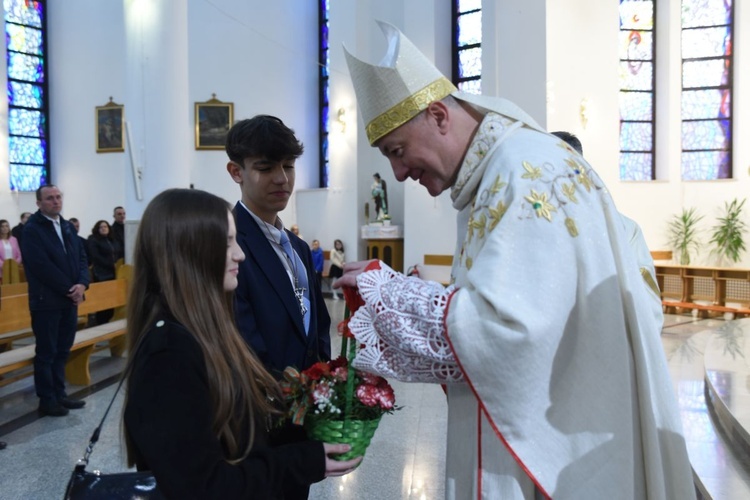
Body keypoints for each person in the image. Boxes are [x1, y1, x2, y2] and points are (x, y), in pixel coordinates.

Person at [337, 22, 695, 499]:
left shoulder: (523, 173)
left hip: (557, 443)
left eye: (397, 152)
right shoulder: (498, 174)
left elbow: (508, 330)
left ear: (440, 116)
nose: (399, 173)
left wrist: (392, 290)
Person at [123, 188, 360, 499]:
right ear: (191, 252)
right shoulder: (168, 354)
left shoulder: (203, 330)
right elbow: (203, 487)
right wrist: (302, 462)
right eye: (227, 243)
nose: (240, 254)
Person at [225, 115, 331, 499]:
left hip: (301, 413)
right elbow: (240, 335)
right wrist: (284, 392)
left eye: (288, 166)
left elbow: (315, 321)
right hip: (260, 415)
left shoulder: (299, 247)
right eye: (265, 168)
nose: (282, 179)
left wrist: (323, 383)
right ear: (236, 171)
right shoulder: (230, 243)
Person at [21, 185, 89, 417]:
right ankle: (47, 399)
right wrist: (69, 288)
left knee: (62, 350)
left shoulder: (67, 225)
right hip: (47, 301)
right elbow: (41, 266)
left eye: (58, 197)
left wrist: (82, 284)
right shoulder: (32, 230)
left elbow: (81, 258)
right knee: (47, 352)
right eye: (49, 198)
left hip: (69, 300)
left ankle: (60, 394)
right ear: (39, 203)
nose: (55, 201)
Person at [87, 220, 117, 325]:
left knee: (111, 301)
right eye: (101, 227)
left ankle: (108, 320)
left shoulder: (110, 240)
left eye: (106, 227)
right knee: (103, 300)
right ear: (97, 229)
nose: (104, 228)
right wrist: (111, 265)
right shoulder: (94, 240)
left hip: (113, 273)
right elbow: (96, 257)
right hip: (101, 274)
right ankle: (100, 322)